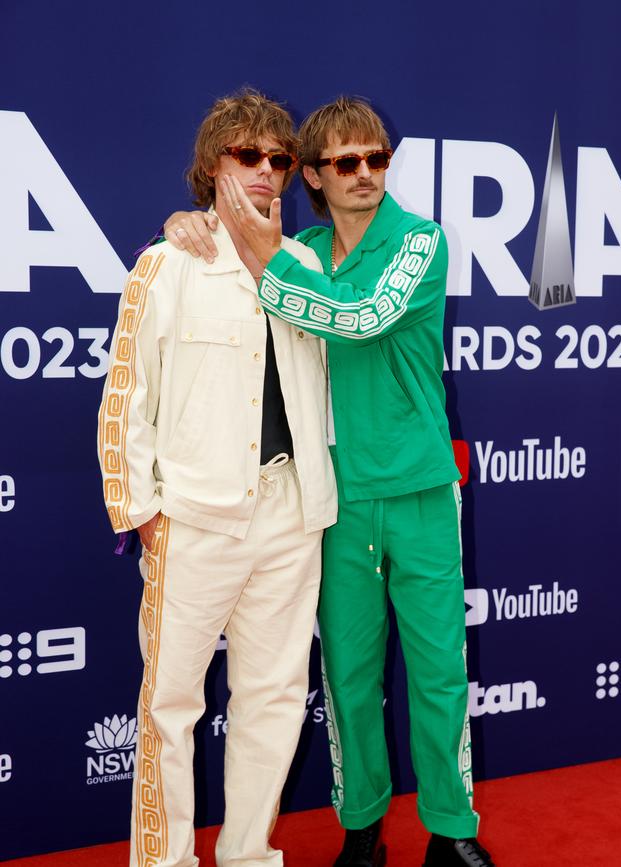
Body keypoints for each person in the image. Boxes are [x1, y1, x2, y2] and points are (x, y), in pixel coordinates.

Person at [164, 96, 495, 867]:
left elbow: (362, 315)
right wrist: (181, 228)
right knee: (348, 679)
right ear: (312, 174)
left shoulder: (420, 242)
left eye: (377, 158)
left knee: (441, 674)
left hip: (419, 492)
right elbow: (217, 258)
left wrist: (265, 261)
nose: (367, 175)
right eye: (346, 162)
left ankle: (452, 830)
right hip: (338, 502)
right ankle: (363, 826)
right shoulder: (306, 250)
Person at [97, 89, 337, 867]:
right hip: (192, 520)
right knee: (169, 707)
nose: (266, 171)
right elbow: (125, 396)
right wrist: (142, 514)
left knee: (271, 702)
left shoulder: (309, 267)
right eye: (247, 156)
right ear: (212, 168)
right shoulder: (166, 263)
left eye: (279, 159)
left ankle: (246, 855)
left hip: (291, 516)